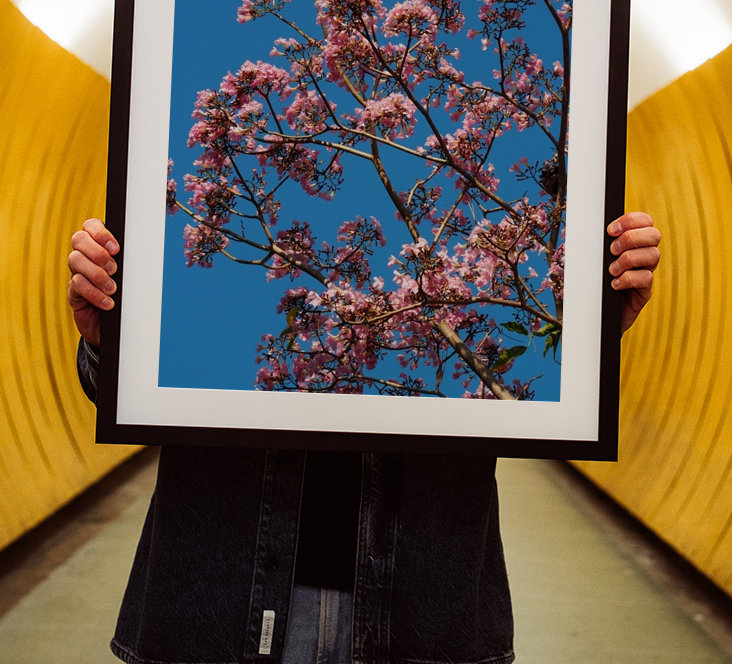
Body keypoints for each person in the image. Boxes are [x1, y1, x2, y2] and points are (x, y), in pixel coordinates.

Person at [68, 212, 661, 664]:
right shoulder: (196, 265)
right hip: (220, 597)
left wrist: (589, 335)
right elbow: (127, 392)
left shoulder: (445, 298)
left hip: (422, 605)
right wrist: (108, 342)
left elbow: (534, 390)